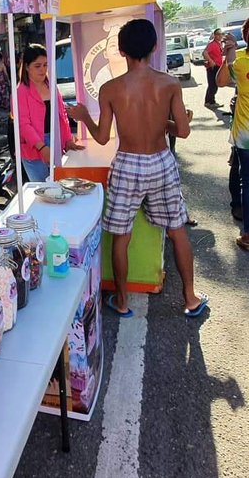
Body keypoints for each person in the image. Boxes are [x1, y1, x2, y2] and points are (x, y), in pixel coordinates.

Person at [68, 19, 207, 319]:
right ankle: (191, 297)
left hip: (128, 163)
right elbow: (182, 131)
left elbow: (103, 136)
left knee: (121, 236)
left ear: (121, 50)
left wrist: (83, 116)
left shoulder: (110, 89)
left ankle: (121, 302)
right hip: (161, 160)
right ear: (155, 47)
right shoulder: (169, 83)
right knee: (177, 230)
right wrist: (165, 122)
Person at [17, 43, 83, 182]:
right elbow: (23, 125)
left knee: (61, 185)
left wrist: (67, 139)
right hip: (33, 149)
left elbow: (61, 116)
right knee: (42, 189)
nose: (42, 69)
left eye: (45, 65)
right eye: (37, 66)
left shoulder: (51, 85)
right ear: (27, 67)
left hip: (56, 141)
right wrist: (41, 147)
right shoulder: (20, 91)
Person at [217, 18, 249, 251]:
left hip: (244, 137)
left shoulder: (241, 63)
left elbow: (221, 81)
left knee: (246, 181)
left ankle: (247, 234)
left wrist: (229, 56)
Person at [203, 28, 224, 109]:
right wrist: (211, 61)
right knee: (213, 85)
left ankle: (208, 101)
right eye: (218, 34)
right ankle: (211, 102)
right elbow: (204, 53)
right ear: (214, 35)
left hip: (218, 66)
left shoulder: (219, 43)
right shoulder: (212, 44)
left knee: (213, 85)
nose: (220, 36)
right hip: (213, 67)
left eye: (221, 34)